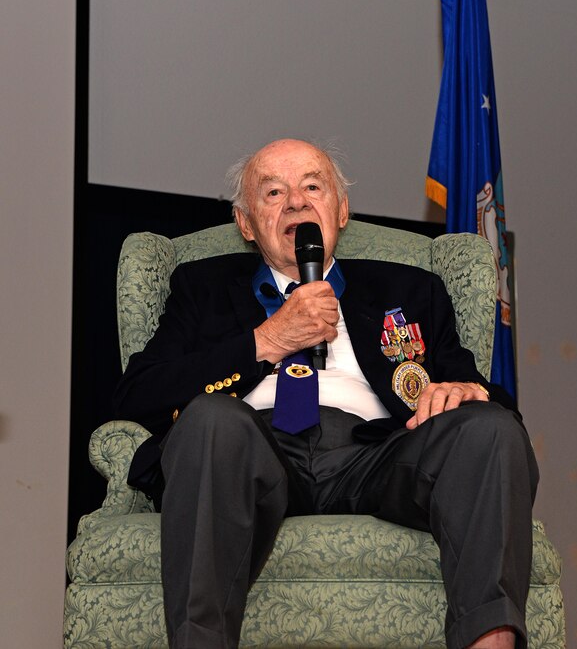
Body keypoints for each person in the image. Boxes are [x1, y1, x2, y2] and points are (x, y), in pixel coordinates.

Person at [114, 138, 539, 649]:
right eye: (273, 192)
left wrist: (462, 391)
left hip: (380, 454)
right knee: (208, 421)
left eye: (312, 186)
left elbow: (487, 396)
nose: (295, 201)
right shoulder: (200, 287)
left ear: (340, 211)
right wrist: (269, 339)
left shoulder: (410, 288)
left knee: (489, 427)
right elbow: (139, 394)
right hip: (251, 453)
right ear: (246, 224)